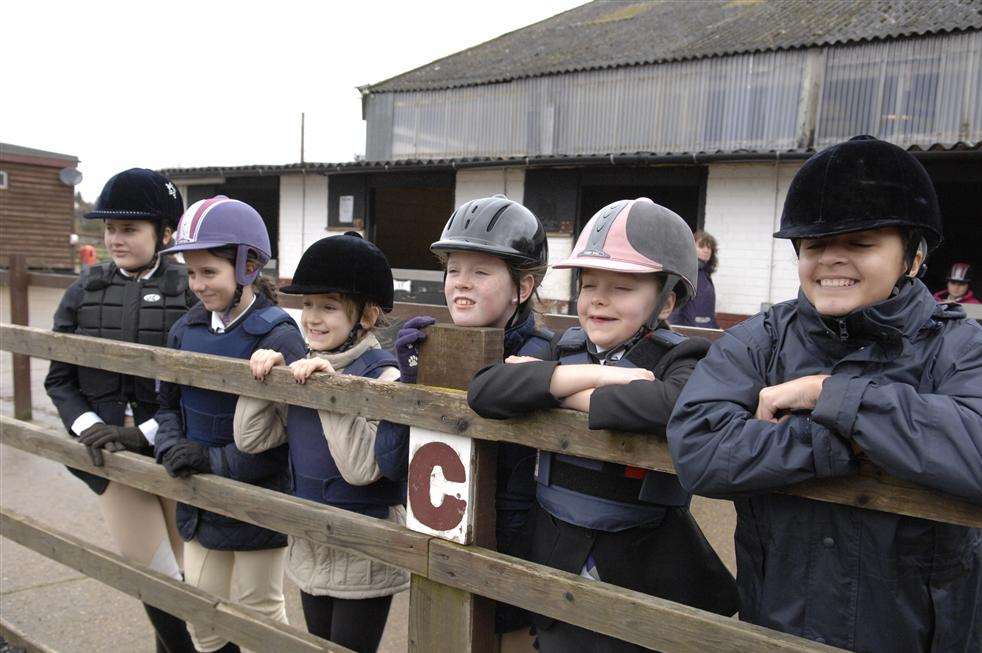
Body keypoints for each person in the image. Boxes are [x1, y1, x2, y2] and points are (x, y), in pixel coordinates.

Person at [667, 135, 982, 652]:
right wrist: (852, 443)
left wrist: (829, 395)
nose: (831, 261)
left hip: (921, 632)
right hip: (779, 624)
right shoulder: (760, 339)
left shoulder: (959, 346)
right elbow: (699, 449)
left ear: (914, 256)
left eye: (860, 244)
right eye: (814, 246)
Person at [468, 198, 738, 653]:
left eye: (623, 288)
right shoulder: (565, 347)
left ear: (668, 300)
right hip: (556, 549)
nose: (597, 299)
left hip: (642, 557)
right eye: (589, 283)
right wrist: (601, 376)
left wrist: (555, 391)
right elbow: (486, 391)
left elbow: (671, 404)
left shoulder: (683, 357)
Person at [232, 233, 408, 653]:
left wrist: (332, 390)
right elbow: (251, 439)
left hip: (362, 547)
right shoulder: (301, 367)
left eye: (328, 307)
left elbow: (363, 468)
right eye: (307, 305)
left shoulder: (385, 376)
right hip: (310, 537)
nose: (311, 318)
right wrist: (265, 379)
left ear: (365, 316)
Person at [44, 168, 196, 653]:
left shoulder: (191, 291)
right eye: (110, 228)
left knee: (186, 575)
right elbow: (59, 377)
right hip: (107, 454)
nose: (115, 238)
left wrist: (148, 432)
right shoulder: (82, 292)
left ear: (164, 233)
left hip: (171, 447)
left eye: (129, 229)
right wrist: (90, 426)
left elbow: (199, 384)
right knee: (153, 572)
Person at [392, 195, 553, 651]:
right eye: (453, 269)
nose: (460, 284)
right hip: (444, 553)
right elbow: (390, 463)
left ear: (523, 287)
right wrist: (409, 383)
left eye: (480, 272)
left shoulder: (541, 356)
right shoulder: (436, 347)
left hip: (514, 565)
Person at [154, 196, 306, 653]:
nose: (198, 284)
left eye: (209, 272)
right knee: (201, 610)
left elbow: (290, 435)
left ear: (247, 266)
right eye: (192, 272)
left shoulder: (278, 335)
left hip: (257, 497)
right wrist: (171, 447)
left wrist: (212, 458)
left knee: (261, 612)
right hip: (200, 496)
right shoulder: (185, 330)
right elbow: (167, 404)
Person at [669, 229, 718, 328]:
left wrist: (714, 327)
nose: (706, 250)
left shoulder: (705, 274)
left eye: (709, 247)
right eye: (701, 246)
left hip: (705, 329)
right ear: (691, 248)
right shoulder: (686, 272)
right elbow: (676, 304)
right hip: (688, 330)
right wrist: (676, 329)